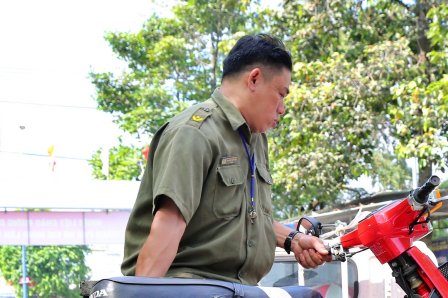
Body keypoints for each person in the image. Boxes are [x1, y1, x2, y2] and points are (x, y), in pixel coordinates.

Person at [121, 34, 329, 282]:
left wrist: (293, 239)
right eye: (281, 94)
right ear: (254, 79)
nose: (282, 108)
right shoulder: (194, 132)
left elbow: (245, 217)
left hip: (237, 295)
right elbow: (170, 225)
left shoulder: (255, 137)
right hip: (189, 291)